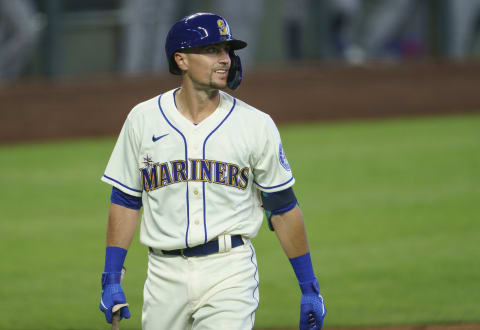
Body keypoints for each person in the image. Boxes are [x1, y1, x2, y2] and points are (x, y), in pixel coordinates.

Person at [99, 12, 326, 330]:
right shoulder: (143, 119)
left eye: (226, 51)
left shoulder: (255, 125)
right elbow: (124, 199)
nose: (225, 59)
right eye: (211, 51)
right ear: (181, 60)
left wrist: (309, 288)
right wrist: (111, 277)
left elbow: (284, 209)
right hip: (163, 275)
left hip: (229, 271)